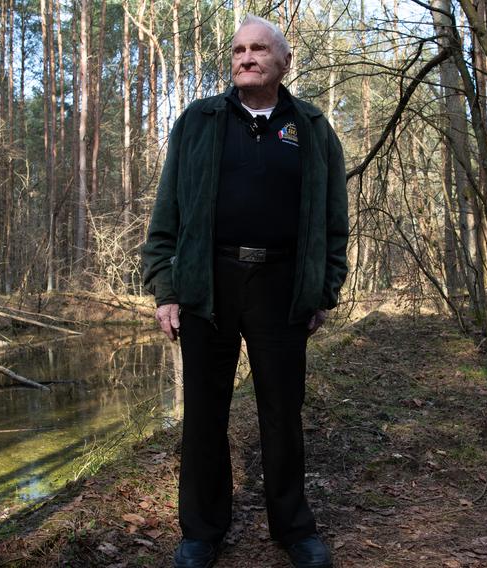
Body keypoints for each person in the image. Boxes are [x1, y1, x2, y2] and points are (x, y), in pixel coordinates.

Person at [141, 13, 348, 568]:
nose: (246, 58)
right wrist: (165, 288)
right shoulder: (199, 121)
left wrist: (321, 289)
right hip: (207, 284)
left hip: (282, 286)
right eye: (238, 50)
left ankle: (293, 527)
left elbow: (333, 222)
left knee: (282, 409)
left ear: (284, 61)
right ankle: (202, 532)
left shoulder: (310, 126)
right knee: (204, 412)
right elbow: (167, 213)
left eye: (259, 49)